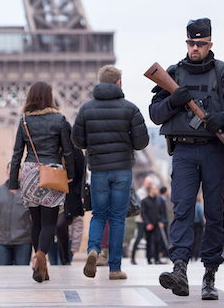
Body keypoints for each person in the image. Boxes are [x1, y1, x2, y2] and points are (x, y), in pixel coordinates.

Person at [149, 17, 224, 300]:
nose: (195, 48)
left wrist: (222, 118)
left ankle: (209, 274)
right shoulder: (173, 74)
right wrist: (173, 101)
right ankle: (179, 267)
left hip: (214, 151)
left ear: (210, 44)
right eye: (191, 43)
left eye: (200, 43)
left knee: (215, 214)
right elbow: (156, 114)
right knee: (181, 208)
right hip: (183, 150)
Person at [72, 64, 149, 280]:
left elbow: (77, 140)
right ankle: (115, 268)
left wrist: (93, 144)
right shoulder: (130, 108)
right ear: (119, 83)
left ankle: (93, 250)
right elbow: (142, 141)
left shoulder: (86, 109)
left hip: (98, 170)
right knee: (117, 219)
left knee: (98, 214)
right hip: (122, 170)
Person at [9, 81, 75, 283]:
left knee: (35, 222)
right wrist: (70, 173)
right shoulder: (60, 119)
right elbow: (68, 150)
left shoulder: (25, 121)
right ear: (49, 97)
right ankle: (40, 256)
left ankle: (40, 266)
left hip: (29, 173)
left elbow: (17, 154)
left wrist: (13, 182)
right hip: (52, 172)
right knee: (49, 222)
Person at [0, 165, 33, 265]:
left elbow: (34, 217)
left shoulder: (28, 191)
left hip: (24, 241)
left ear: (21, 174)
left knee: (22, 275)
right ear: (7, 173)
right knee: (2, 275)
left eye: (17, 172)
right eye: (11, 171)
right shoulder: (0, 190)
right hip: (2, 242)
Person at [55, 146, 86, 265]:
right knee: (57, 227)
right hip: (54, 194)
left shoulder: (77, 152)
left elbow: (81, 176)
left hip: (71, 197)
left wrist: (79, 194)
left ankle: (65, 259)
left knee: (61, 225)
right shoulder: (53, 150)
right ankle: (64, 260)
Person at [141, 185, 167, 264]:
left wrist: (162, 221)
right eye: (155, 189)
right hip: (148, 224)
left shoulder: (159, 201)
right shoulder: (144, 201)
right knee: (149, 242)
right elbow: (143, 213)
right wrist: (147, 223)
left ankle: (156, 259)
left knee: (157, 241)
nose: (156, 191)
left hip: (157, 224)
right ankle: (149, 259)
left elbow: (162, 212)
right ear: (150, 190)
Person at [130, 176, 153, 264]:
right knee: (138, 238)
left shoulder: (150, 192)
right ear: (145, 182)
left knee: (149, 239)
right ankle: (132, 258)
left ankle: (149, 258)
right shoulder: (141, 192)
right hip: (141, 219)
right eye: (148, 183)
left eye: (150, 183)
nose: (149, 185)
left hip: (149, 220)